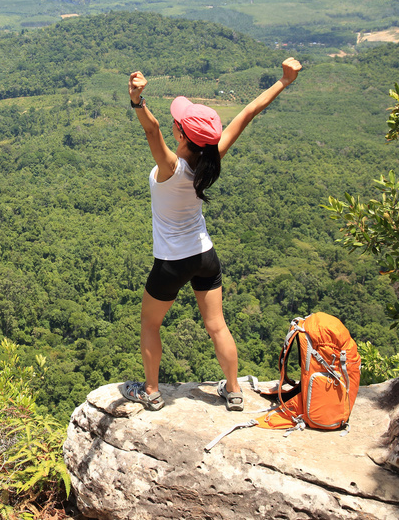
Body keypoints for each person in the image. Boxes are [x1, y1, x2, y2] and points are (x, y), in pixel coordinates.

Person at [121, 58, 302, 411]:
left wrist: (137, 101)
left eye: (178, 123)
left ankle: (152, 392)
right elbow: (248, 112)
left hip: (171, 262)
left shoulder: (170, 167)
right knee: (216, 324)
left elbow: (151, 130)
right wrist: (284, 80)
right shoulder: (212, 157)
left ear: (181, 134)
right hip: (205, 256)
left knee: (149, 323)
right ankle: (233, 391)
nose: (173, 125)